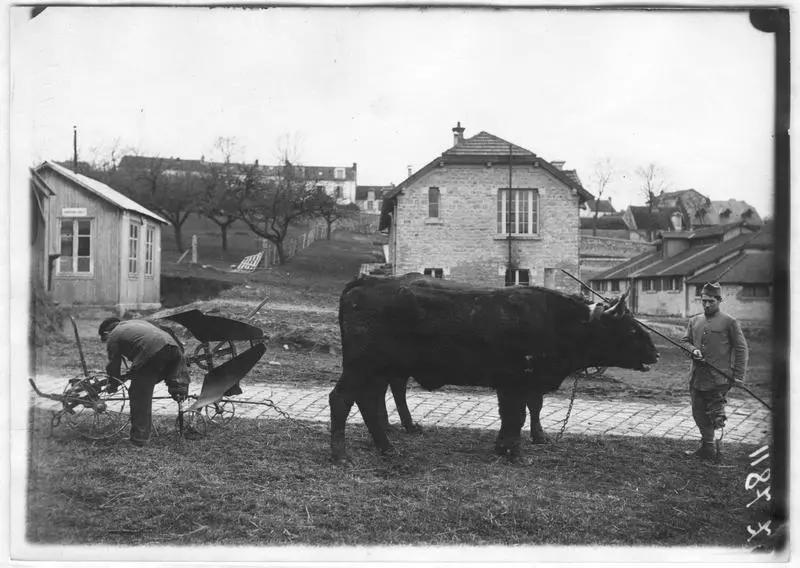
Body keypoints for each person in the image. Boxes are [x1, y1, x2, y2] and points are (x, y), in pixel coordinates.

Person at [681, 282, 748, 461]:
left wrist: (739, 376)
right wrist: (693, 351)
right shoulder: (694, 321)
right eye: (704, 301)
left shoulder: (729, 322)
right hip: (697, 377)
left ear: (719, 300)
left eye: (711, 301)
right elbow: (685, 342)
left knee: (715, 415)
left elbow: (741, 349)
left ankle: (712, 448)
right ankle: (707, 447)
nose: (707, 305)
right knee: (698, 413)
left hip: (719, 379)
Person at [99, 317, 190, 447]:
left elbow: (114, 365)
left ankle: (139, 439)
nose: (107, 342)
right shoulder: (137, 323)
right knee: (174, 386)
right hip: (174, 349)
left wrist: (113, 384)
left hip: (154, 351)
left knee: (139, 393)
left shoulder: (114, 335)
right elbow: (165, 331)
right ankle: (185, 424)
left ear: (107, 333)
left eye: (105, 340)